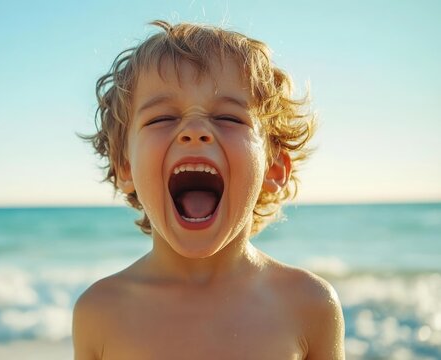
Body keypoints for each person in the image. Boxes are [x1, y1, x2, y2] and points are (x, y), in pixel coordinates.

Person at [74, 20, 344, 359]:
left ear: (273, 168)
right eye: (161, 119)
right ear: (126, 167)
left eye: (229, 118)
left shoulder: (309, 305)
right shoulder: (99, 312)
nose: (195, 130)